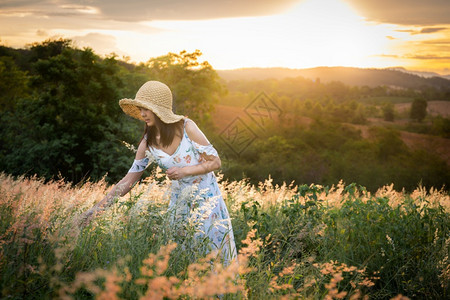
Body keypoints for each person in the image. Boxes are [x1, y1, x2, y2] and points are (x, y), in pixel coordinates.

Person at [80, 81, 237, 265]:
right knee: (182, 261)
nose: (142, 113)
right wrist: (95, 211)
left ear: (160, 109)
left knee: (213, 257)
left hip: (207, 203)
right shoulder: (148, 143)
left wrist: (184, 171)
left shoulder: (187, 128)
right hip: (179, 206)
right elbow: (129, 180)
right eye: (140, 108)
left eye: (147, 108)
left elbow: (215, 161)